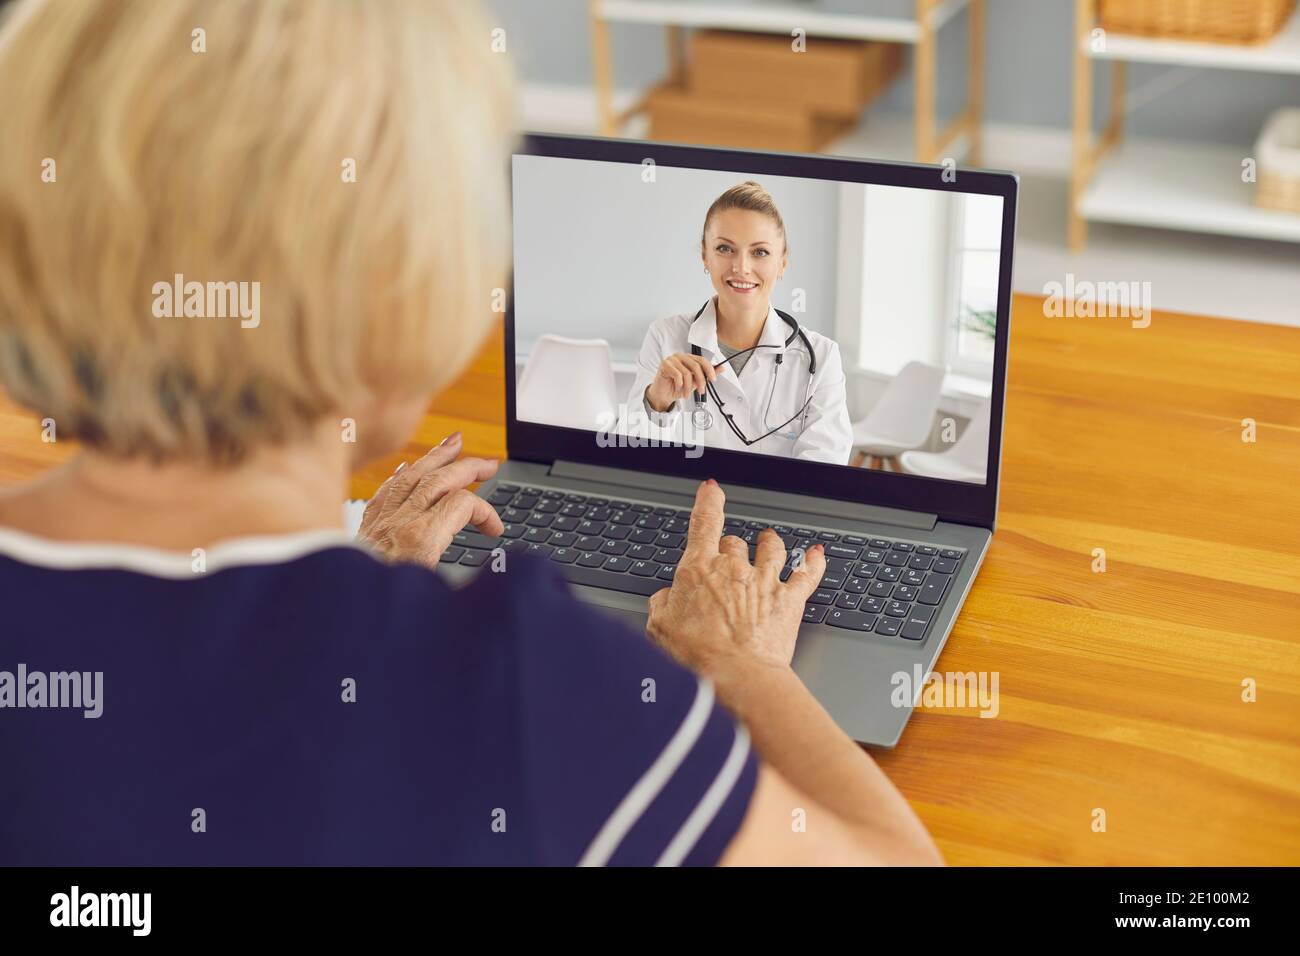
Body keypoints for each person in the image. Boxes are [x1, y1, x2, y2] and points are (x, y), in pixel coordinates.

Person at [0, 0, 939, 866]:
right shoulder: (526, 683)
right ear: (406, 295)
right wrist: (744, 667)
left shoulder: (818, 356)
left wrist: (361, 580)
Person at [627, 181, 854, 464]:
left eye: (760, 252)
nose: (741, 267)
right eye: (724, 248)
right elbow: (631, 460)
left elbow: (824, 475)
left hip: (771, 508)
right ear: (704, 255)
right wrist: (658, 402)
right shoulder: (665, 336)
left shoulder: (821, 358)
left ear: (782, 262)